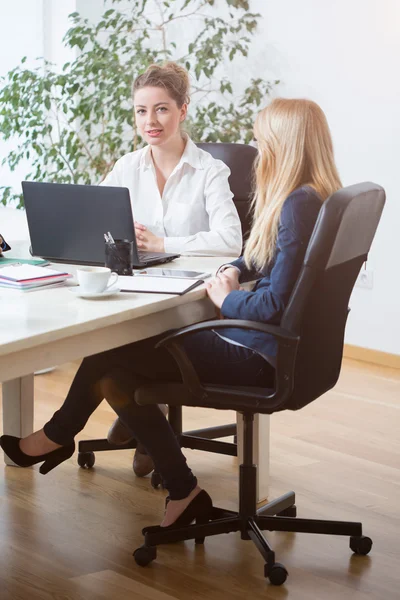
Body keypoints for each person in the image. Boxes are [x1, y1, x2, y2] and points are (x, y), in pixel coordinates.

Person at [1, 98, 342, 528]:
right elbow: (272, 261)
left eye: (262, 137)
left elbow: (275, 305)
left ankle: (59, 438)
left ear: (284, 144)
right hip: (283, 350)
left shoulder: (297, 203)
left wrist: (225, 299)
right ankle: (178, 489)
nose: (257, 146)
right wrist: (234, 269)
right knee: (116, 370)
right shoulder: (316, 197)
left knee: (111, 357)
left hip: (260, 353)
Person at [101, 61, 242, 467]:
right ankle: (143, 417)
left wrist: (166, 243)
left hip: (188, 301)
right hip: (135, 290)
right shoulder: (127, 167)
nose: (151, 121)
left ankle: (142, 422)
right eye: (141, 111)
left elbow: (231, 240)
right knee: (104, 336)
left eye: (162, 109)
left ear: (183, 109)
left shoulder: (209, 171)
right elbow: (98, 224)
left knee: (113, 354)